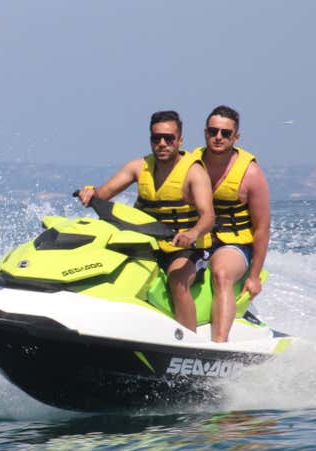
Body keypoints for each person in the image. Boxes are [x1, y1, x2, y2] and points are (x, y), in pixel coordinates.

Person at [79, 110, 214, 332]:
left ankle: (190, 344)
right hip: (148, 244)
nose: (162, 143)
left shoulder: (194, 172)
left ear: (180, 140)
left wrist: (192, 234)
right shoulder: (138, 167)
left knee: (177, 280)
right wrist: (89, 193)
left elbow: (208, 216)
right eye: (156, 138)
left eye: (169, 138)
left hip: (187, 248)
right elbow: (102, 193)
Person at [192, 105, 271, 342]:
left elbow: (262, 228)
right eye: (213, 131)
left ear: (235, 137)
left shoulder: (250, 174)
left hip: (233, 245)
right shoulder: (189, 163)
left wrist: (254, 276)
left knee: (222, 273)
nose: (218, 137)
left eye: (225, 133)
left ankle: (219, 345)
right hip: (196, 240)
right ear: (205, 132)